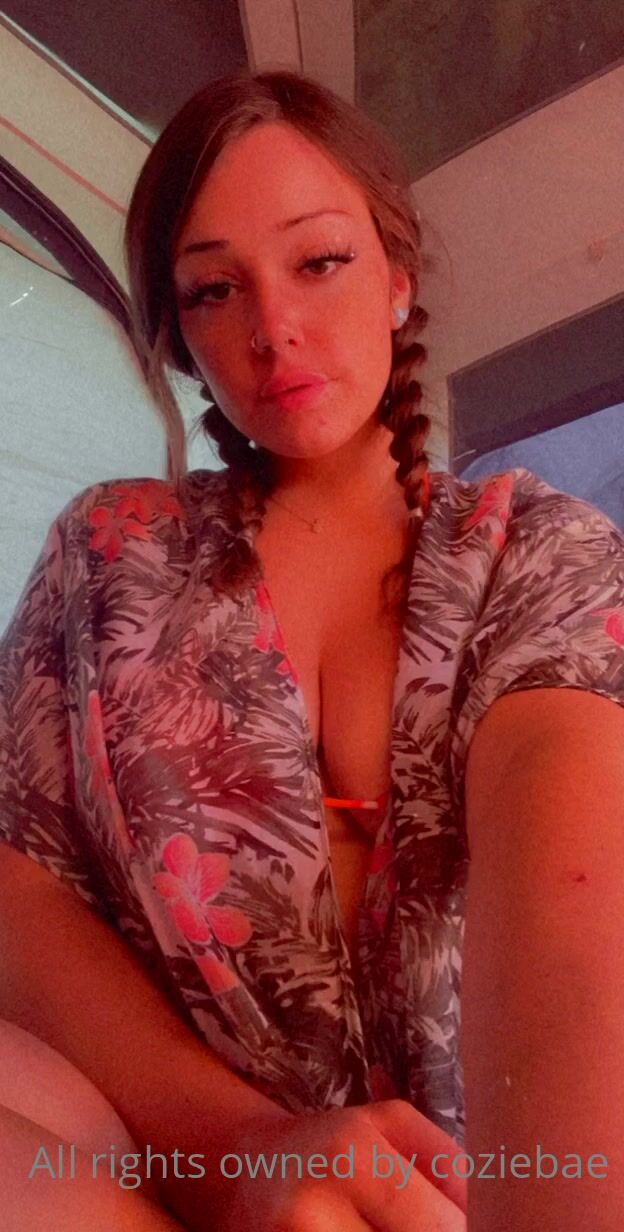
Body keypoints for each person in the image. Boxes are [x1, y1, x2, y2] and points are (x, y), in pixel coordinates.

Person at [0, 67, 623, 1232]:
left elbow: (576, 900)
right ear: (182, 334)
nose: (273, 326)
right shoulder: (108, 553)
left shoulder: (533, 551)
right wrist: (237, 1150)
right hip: (159, 1164)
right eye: (213, 288)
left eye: (320, 261)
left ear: (398, 277)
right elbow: (19, 883)